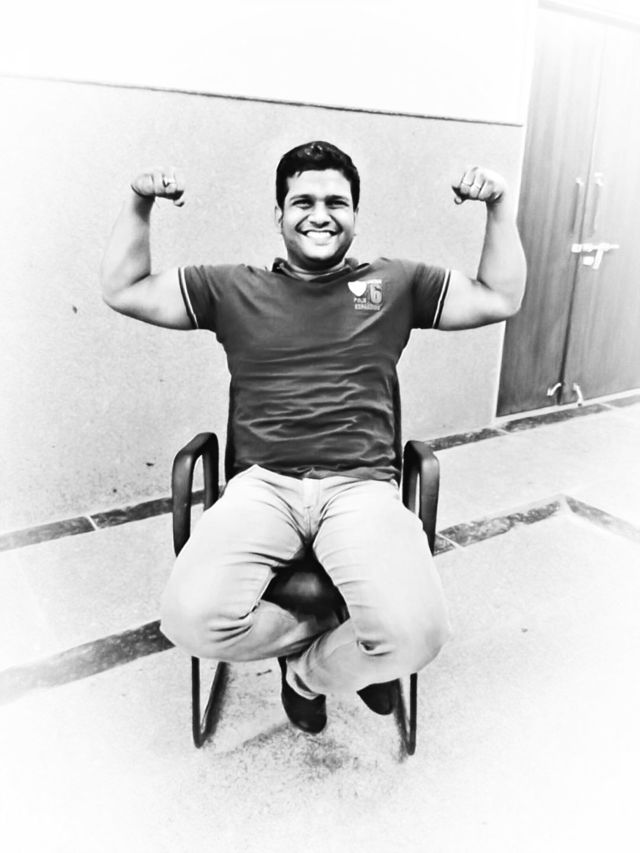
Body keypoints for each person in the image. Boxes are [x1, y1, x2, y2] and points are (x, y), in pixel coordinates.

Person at [101, 140, 526, 734]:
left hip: (360, 488)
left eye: (336, 202)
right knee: (189, 622)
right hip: (263, 487)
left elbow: (499, 297)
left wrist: (499, 204)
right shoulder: (232, 288)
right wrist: (138, 201)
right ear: (279, 214)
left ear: (355, 215)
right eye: (303, 201)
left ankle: (307, 675)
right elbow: (123, 289)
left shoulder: (395, 282)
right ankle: (330, 634)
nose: (320, 215)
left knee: (418, 636)